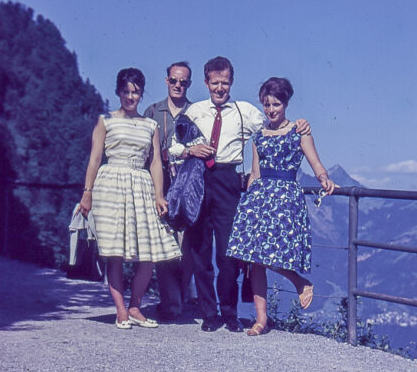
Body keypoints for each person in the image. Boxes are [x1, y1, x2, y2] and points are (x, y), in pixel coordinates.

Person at [169, 57, 311, 332]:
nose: (219, 88)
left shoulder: (245, 111)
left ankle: (230, 313)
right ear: (206, 82)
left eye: (224, 83)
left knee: (229, 253)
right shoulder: (194, 111)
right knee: (200, 250)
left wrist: (299, 125)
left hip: (229, 181)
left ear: (231, 83)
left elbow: (275, 125)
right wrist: (190, 151)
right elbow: (173, 146)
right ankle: (209, 315)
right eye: (214, 83)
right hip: (199, 177)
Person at [227, 77, 335, 336]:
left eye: (276, 104)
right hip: (260, 199)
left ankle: (299, 281)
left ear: (286, 103)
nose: (271, 109)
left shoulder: (299, 131)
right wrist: (247, 201)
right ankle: (261, 320)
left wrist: (324, 179)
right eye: (266, 104)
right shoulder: (258, 136)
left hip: (285, 199)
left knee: (271, 254)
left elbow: (315, 163)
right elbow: (255, 173)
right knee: (254, 258)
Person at [78, 68, 180, 329]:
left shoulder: (150, 125)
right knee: (115, 252)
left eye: (135, 92)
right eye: (126, 91)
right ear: (118, 92)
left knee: (149, 252)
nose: (130, 96)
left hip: (141, 185)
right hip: (111, 185)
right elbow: (95, 158)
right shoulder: (106, 121)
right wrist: (87, 193)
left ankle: (135, 305)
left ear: (142, 93)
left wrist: (159, 194)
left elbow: (156, 161)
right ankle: (120, 310)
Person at [143, 61, 195, 321]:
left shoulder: (197, 112)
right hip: (161, 188)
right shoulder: (152, 112)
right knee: (164, 247)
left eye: (183, 82)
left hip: (188, 191)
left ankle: (181, 298)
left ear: (189, 84)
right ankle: (172, 303)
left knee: (186, 248)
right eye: (174, 81)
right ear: (166, 81)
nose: (178, 85)